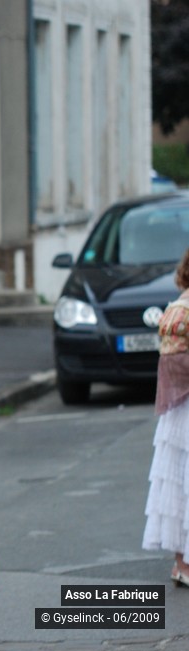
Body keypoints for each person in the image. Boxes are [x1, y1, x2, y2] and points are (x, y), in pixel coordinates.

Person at [143, 247, 189, 586]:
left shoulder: (178, 307)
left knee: (179, 484)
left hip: (180, 412)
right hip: (185, 411)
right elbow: (176, 365)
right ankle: (183, 564)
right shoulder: (182, 310)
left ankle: (182, 563)